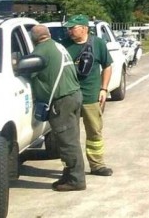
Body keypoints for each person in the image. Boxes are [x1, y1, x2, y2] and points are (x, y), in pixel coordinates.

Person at [29, 25, 86, 192]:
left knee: (67, 141)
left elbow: (28, 71)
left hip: (62, 100)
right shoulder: (56, 45)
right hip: (73, 94)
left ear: (34, 39)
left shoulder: (41, 51)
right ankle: (69, 174)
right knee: (71, 138)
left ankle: (76, 180)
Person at [63, 14, 115, 177]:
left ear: (84, 28)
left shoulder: (98, 44)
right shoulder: (64, 46)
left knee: (94, 132)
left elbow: (107, 66)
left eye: (72, 28)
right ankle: (72, 168)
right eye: (68, 28)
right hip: (70, 97)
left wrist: (103, 89)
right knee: (69, 135)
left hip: (91, 97)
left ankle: (97, 165)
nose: (69, 31)